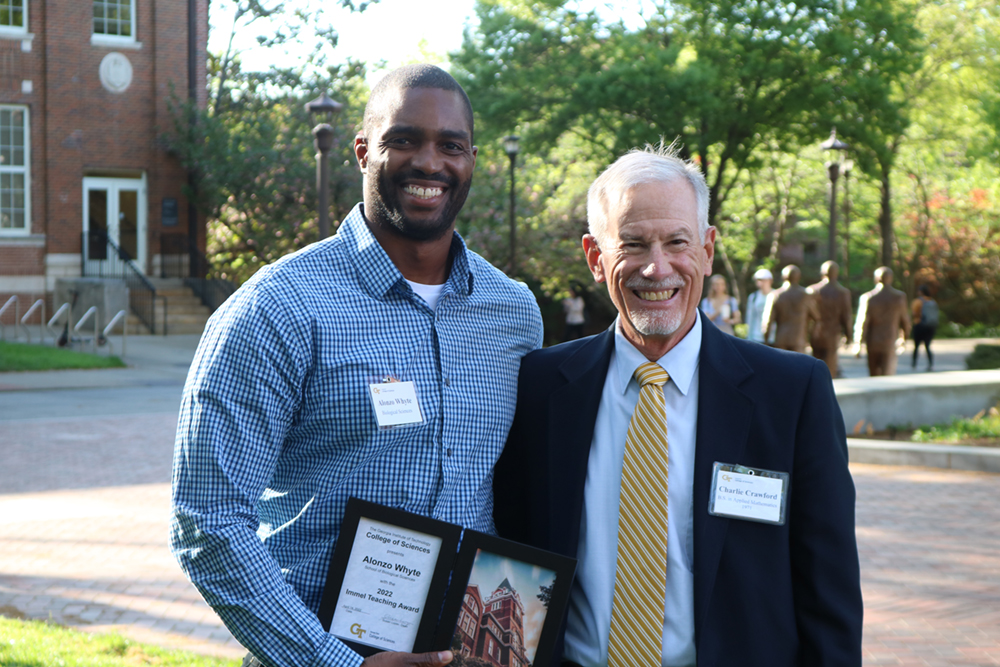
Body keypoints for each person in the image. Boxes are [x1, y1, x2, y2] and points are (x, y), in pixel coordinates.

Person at [170, 65, 544, 667]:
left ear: (472, 160)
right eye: (404, 139)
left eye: (450, 145)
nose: (429, 162)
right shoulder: (277, 308)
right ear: (363, 151)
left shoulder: (513, 314)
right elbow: (207, 520)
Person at [494, 146, 862, 667]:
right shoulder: (540, 387)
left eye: (677, 242)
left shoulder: (791, 393)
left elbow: (830, 589)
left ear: (707, 250)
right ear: (596, 259)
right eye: (634, 244)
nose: (656, 267)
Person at [855, 266, 910, 376]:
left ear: (876, 279)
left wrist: (858, 343)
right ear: (890, 279)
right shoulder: (899, 297)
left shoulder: (868, 298)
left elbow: (862, 323)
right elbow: (905, 322)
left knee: (874, 376)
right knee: (887, 376)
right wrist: (904, 338)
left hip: (873, 342)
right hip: (889, 342)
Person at [807, 260, 853, 378]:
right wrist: (849, 336)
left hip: (816, 334)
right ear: (836, 273)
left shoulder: (812, 290)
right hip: (832, 334)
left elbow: (806, 316)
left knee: (814, 366)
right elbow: (846, 317)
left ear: (822, 273)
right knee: (829, 368)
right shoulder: (843, 292)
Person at [761, 264, 819, 353]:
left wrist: (766, 340)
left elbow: (767, 322)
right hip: (799, 340)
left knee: (781, 366)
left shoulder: (775, 295)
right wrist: (809, 335)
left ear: (783, 277)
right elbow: (817, 318)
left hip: (781, 339)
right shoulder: (806, 295)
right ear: (798, 277)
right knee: (798, 366)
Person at [911, 284, 939, 370]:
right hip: (930, 326)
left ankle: (914, 364)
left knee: (916, 346)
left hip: (919, 325)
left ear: (920, 292)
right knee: (928, 346)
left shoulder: (918, 301)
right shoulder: (932, 302)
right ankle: (930, 364)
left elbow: (914, 313)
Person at [744, 267, 773, 344]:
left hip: (773, 338)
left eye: (763, 280)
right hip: (756, 338)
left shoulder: (776, 295)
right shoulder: (753, 297)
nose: (761, 283)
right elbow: (750, 318)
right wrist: (749, 338)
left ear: (770, 281)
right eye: (758, 280)